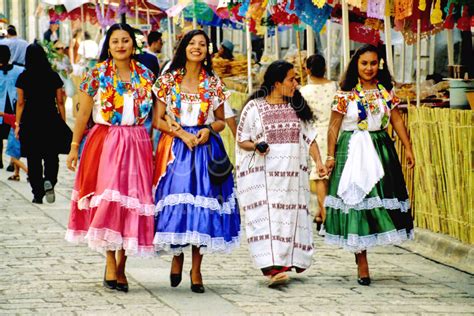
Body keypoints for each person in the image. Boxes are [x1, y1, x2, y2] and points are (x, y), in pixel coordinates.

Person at [65, 23, 157, 293]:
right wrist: (73, 145)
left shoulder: (146, 75)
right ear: (109, 45)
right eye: (115, 41)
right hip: (106, 140)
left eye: (125, 40)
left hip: (138, 141)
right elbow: (82, 113)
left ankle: (122, 264)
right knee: (108, 199)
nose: (120, 45)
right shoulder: (96, 74)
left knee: (132, 201)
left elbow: (161, 112)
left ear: (133, 44)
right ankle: (109, 260)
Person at [152, 29, 241, 294]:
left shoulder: (213, 83)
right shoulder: (168, 81)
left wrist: (208, 131)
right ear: (184, 47)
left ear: (207, 51)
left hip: (204, 149)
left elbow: (221, 121)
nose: (197, 47)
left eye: (202, 44)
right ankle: (177, 255)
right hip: (176, 149)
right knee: (180, 202)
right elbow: (158, 120)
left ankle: (197, 268)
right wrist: (181, 133)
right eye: (192, 43)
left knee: (203, 205)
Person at [324, 44, 415, 286]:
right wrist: (331, 156)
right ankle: (361, 260)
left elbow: (395, 118)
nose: (369, 68)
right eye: (364, 63)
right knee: (356, 201)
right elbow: (334, 126)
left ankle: (365, 246)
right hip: (352, 149)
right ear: (356, 64)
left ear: (380, 65)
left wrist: (407, 147)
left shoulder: (385, 92)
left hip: (380, 148)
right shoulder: (345, 95)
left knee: (375, 201)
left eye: (373, 63)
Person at [235, 60, 327, 286]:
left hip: (291, 179)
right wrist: (256, 146)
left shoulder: (297, 107)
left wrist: (319, 162)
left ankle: (283, 264)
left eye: (296, 78)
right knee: (266, 221)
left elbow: (310, 137)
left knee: (287, 219)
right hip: (263, 179)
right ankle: (272, 268)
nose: (296, 83)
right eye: (291, 79)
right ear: (277, 83)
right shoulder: (254, 108)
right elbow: (242, 139)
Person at [15, 42, 72, 204]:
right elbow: (60, 101)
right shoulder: (53, 75)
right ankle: (50, 180)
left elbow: (20, 103)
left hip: (30, 120)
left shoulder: (23, 77)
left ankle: (37, 193)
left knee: (33, 158)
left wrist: (18, 124)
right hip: (50, 118)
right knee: (51, 155)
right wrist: (62, 121)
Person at [300, 54, 338, 229]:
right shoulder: (333, 86)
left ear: (307, 70)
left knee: (319, 177)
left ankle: (326, 216)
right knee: (329, 176)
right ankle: (320, 213)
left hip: (315, 135)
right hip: (334, 132)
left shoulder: (304, 92)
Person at [0, 45, 23, 170]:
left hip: (1, 108)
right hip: (14, 106)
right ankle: (12, 161)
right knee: (13, 134)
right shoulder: (18, 70)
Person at [0, 111, 27, 180]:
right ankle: (16, 174)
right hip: (22, 141)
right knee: (16, 157)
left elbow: (3, 114)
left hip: (14, 142)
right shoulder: (26, 118)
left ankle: (29, 172)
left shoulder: (13, 117)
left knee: (14, 159)